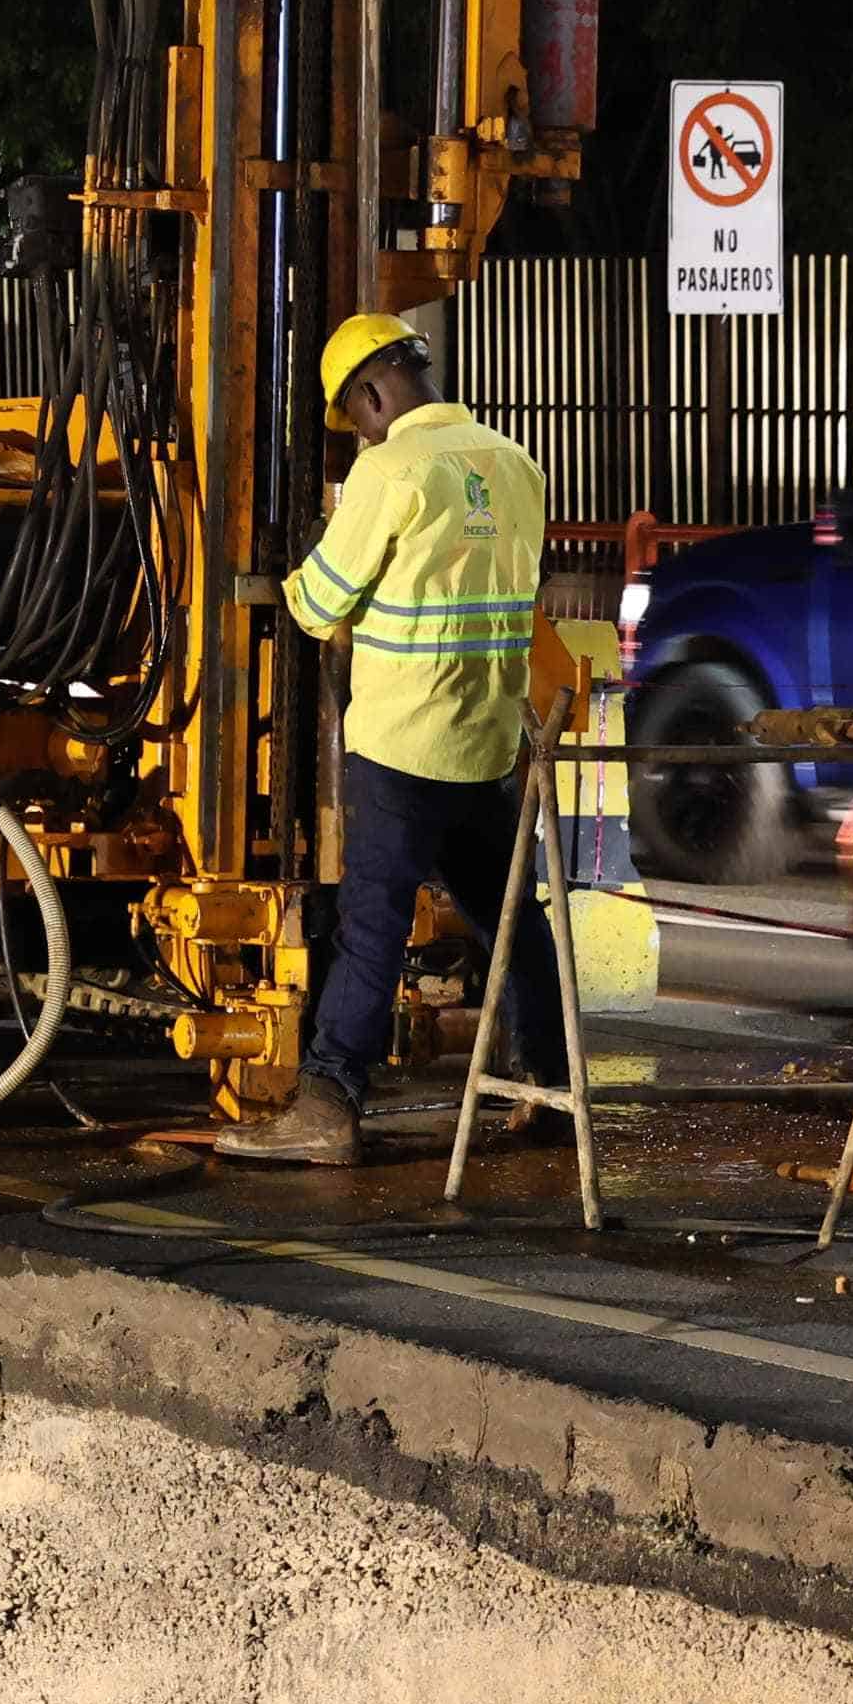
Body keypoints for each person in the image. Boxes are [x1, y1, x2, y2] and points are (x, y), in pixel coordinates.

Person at [217, 312, 564, 1166]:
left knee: (371, 929)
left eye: (354, 418)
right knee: (515, 920)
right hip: (487, 745)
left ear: (371, 395)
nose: (358, 434)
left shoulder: (388, 471)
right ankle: (551, 1087)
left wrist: (298, 564)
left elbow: (318, 603)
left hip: (402, 747)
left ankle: (329, 1104)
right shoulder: (517, 466)